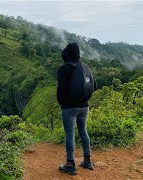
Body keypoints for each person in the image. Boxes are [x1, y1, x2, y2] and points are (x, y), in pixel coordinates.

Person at [57, 43, 97, 175]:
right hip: (84, 106)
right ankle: (87, 160)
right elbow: (94, 86)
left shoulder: (64, 69)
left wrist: (63, 103)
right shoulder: (84, 67)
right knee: (83, 132)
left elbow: (61, 90)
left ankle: (70, 163)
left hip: (69, 108)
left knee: (70, 134)